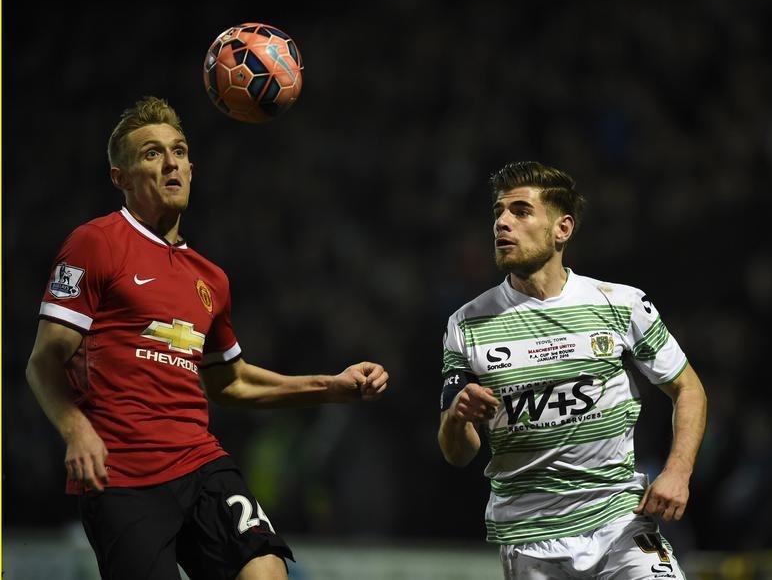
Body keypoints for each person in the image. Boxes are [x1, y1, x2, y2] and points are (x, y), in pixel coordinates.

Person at [26, 96, 389, 580]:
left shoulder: (210, 278)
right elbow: (44, 362)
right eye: (152, 153)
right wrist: (77, 430)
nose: (171, 162)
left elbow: (230, 382)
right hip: (123, 475)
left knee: (266, 571)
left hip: (200, 462)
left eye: (179, 150)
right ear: (121, 178)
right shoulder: (96, 243)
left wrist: (333, 386)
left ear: (193, 167)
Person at [437, 161, 707, 580]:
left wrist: (677, 472)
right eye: (498, 213)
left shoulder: (621, 304)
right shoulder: (467, 324)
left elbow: (689, 389)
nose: (502, 223)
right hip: (529, 537)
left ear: (562, 229)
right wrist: (458, 417)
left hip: (619, 523)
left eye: (521, 211)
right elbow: (458, 453)